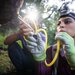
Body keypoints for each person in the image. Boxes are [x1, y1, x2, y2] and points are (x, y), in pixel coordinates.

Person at [25, 5, 75, 75]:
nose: (61, 25)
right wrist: (40, 59)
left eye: (67, 22)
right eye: (58, 24)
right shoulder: (51, 50)